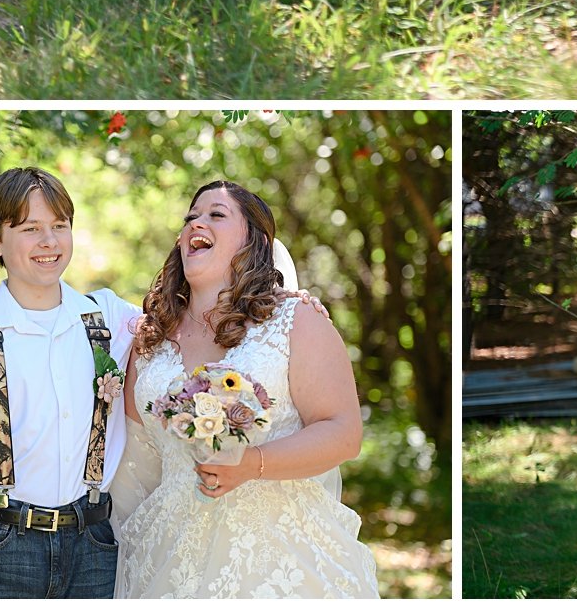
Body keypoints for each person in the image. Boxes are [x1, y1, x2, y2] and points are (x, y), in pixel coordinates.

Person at [111, 178, 379, 598]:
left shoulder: (295, 319)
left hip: (281, 558)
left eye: (216, 215)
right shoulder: (149, 341)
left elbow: (343, 432)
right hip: (171, 558)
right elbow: (137, 463)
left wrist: (250, 463)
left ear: (253, 242)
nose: (197, 224)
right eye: (191, 218)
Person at [0, 165, 141, 599]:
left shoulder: (108, 319)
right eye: (30, 229)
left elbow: (188, 320)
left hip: (95, 544)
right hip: (5, 547)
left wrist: (276, 299)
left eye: (59, 226)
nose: (49, 242)